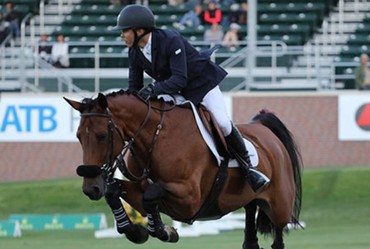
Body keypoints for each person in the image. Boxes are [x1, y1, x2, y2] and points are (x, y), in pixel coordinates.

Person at [112, 4, 270, 192]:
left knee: (222, 122)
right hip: (175, 92)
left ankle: (249, 169)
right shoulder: (134, 52)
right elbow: (134, 88)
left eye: (124, 31)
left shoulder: (171, 40)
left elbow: (180, 78)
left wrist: (153, 89)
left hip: (201, 85)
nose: (122, 35)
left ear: (139, 31)